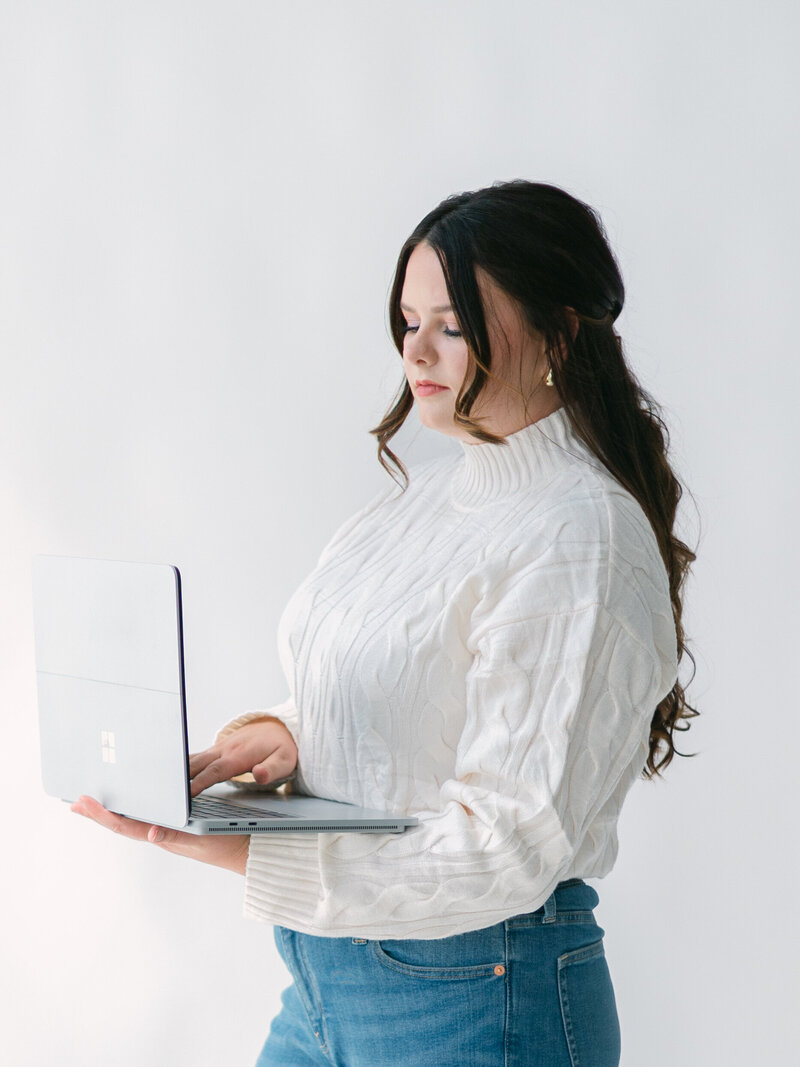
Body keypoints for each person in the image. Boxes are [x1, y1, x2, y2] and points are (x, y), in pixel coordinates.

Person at [73, 179, 699, 1066]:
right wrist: (282, 738)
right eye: (409, 322)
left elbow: (508, 843)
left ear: (558, 334)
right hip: (325, 980)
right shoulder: (417, 505)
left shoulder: (580, 535)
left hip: (481, 995)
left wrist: (242, 853)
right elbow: (398, 705)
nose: (421, 350)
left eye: (454, 323)